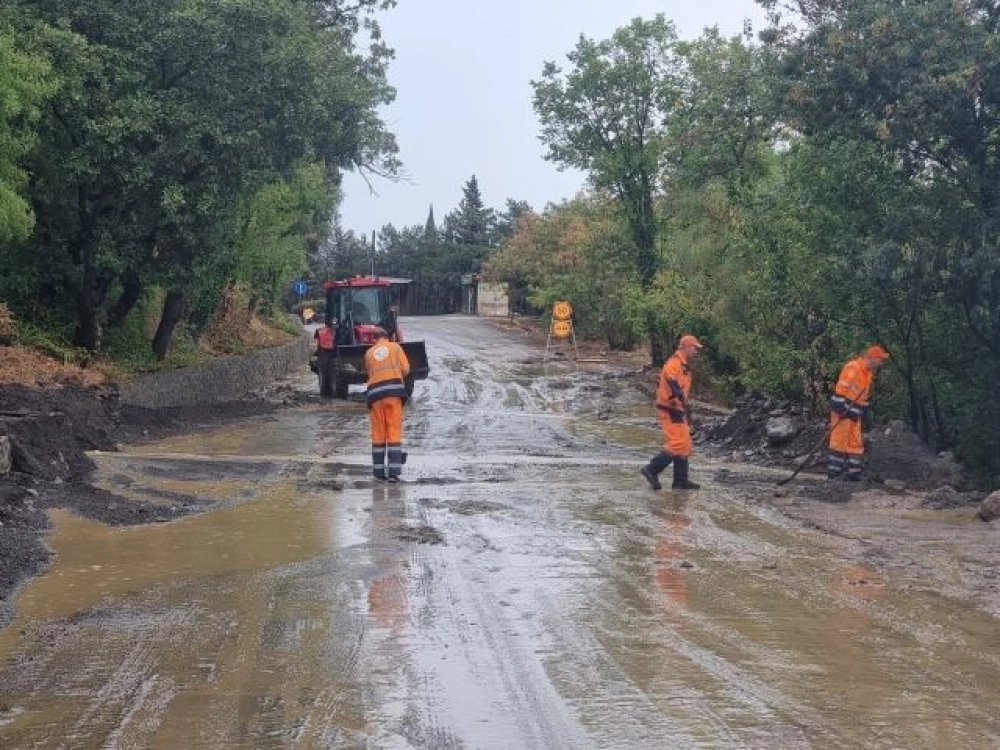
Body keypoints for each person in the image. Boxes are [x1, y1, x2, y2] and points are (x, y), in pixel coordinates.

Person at [641, 334, 704, 491]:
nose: (696, 351)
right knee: (678, 443)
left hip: (677, 408)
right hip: (669, 408)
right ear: (686, 347)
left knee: (685, 445)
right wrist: (677, 392)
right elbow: (669, 376)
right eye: (694, 348)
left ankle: (680, 481)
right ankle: (651, 469)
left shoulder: (684, 366)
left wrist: (685, 406)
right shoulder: (675, 362)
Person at [826, 344, 890, 481]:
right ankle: (834, 474)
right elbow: (841, 388)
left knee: (855, 443)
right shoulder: (853, 367)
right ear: (873, 358)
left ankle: (854, 474)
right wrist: (840, 409)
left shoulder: (868, 374)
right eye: (880, 359)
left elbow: (861, 396)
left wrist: (864, 411)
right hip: (842, 412)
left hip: (854, 414)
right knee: (839, 442)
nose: (881, 363)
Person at [364, 332, 411, 482]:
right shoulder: (396, 348)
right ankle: (393, 472)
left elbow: (369, 373)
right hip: (393, 394)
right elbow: (406, 369)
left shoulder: (369, 353)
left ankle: (378, 472)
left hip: (375, 396)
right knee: (393, 430)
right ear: (388, 337)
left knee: (378, 432)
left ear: (375, 339)